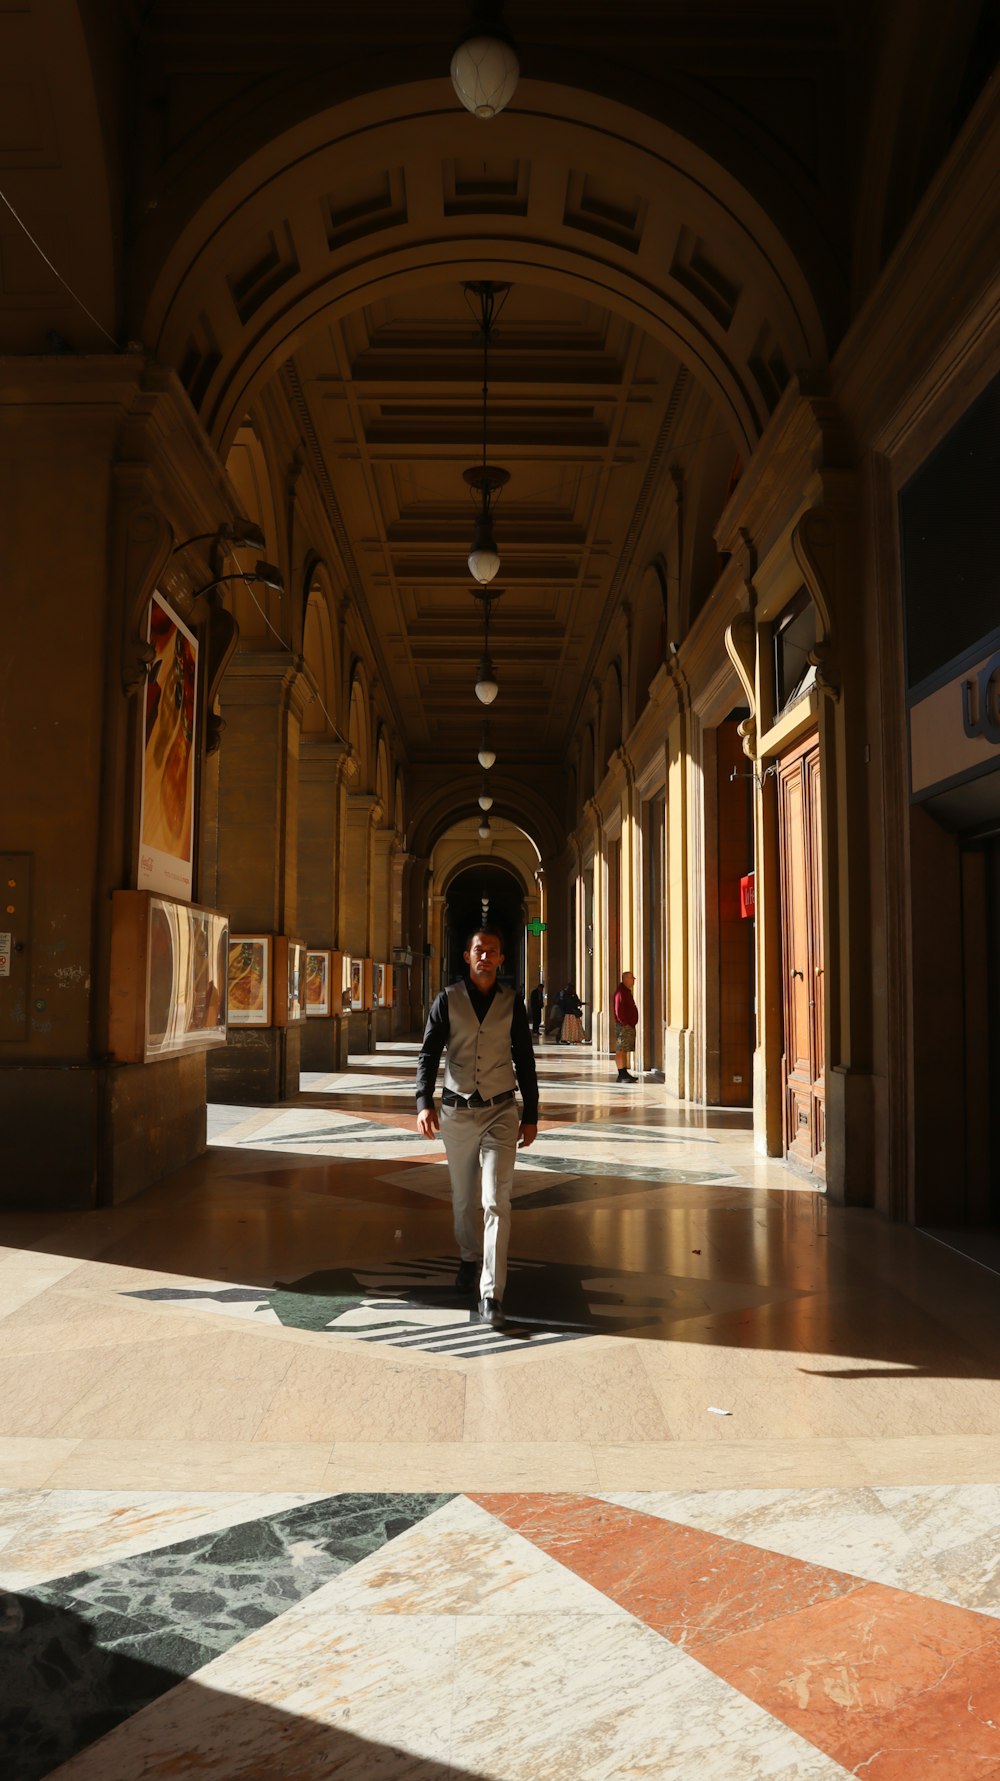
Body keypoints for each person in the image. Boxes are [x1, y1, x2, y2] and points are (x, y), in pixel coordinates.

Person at [415, 927, 538, 1328]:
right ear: (467, 957)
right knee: (464, 1200)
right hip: (457, 1110)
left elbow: (524, 1056)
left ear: (502, 959)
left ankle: (491, 1294)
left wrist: (532, 1113)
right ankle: (468, 1257)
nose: (485, 956)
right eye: (479, 950)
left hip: (501, 1110)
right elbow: (429, 1052)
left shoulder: (511, 1001)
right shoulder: (447, 1000)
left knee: (495, 1200)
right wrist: (423, 1102)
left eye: (493, 951)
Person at [613, 970, 639, 1081]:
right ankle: (621, 1073)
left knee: (624, 1049)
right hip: (624, 1026)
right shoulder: (621, 992)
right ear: (626, 979)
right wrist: (624, 1023)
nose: (634, 980)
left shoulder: (626, 991)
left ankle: (624, 1072)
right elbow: (618, 1009)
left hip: (627, 1025)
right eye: (632, 978)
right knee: (621, 1049)